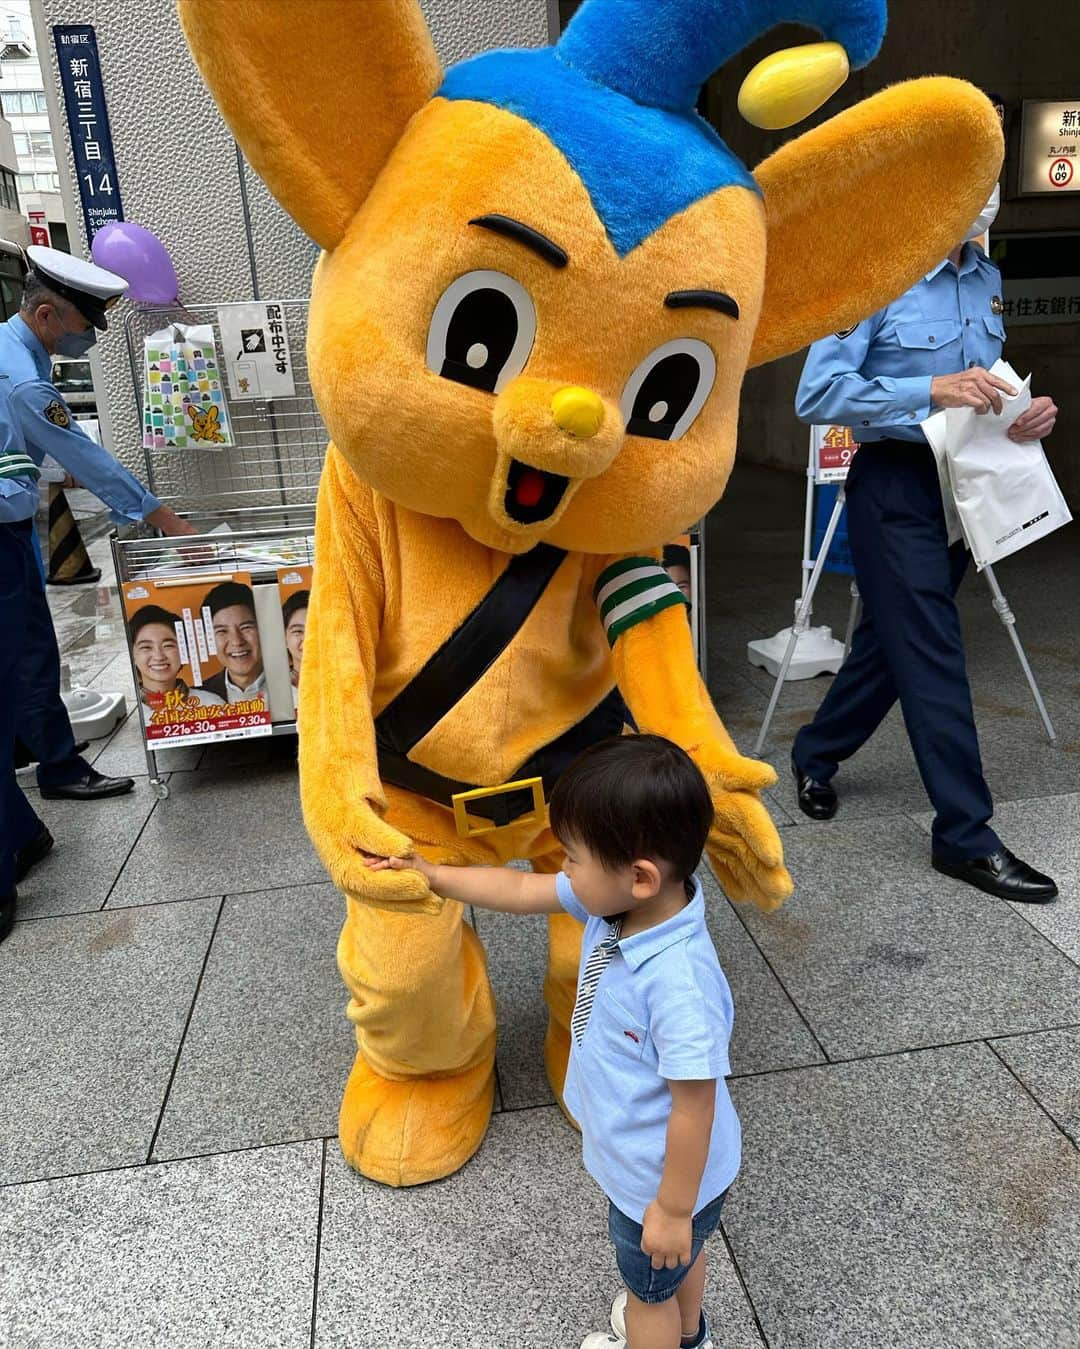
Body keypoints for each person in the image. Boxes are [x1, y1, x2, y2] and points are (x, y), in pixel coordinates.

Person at [366, 735, 737, 1349]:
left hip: (657, 1180)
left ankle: (661, 1330)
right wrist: (433, 875)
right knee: (677, 1266)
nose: (561, 870)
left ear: (640, 876)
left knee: (648, 1297)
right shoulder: (621, 904)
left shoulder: (679, 985)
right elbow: (518, 891)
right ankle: (690, 1332)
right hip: (675, 1176)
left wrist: (669, 1211)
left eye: (570, 857)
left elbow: (695, 1106)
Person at [790, 189, 1059, 904]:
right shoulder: (876, 271)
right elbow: (817, 394)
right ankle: (965, 835)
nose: (984, 204)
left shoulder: (985, 275)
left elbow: (987, 385)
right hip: (896, 486)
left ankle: (814, 753)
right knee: (934, 647)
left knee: (891, 644)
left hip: (966, 483)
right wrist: (929, 388)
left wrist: (1025, 413)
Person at [1, 244, 196, 801]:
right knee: (30, 649)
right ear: (45, 315)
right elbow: (92, 462)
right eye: (84, 325)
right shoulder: (24, 380)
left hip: (9, 520)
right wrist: (171, 524)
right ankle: (60, 769)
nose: (86, 338)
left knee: (16, 648)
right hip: (3, 535)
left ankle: (25, 748)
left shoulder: (11, 352)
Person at [128, 604, 225, 710]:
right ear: (132, 654)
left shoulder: (212, 704)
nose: (159, 656)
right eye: (146, 647)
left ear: (185, 650)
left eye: (168, 646)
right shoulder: (130, 709)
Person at [199, 580, 266, 704]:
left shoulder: (294, 683)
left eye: (245, 628)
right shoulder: (198, 698)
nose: (236, 641)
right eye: (222, 631)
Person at [282, 589, 308, 709]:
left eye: (315, 628)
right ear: (284, 638)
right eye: (298, 631)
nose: (308, 639)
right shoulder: (276, 691)